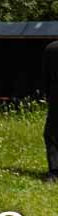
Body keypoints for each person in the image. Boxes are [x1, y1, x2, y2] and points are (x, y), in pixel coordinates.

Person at [46, 40, 58, 180]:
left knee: (52, 134)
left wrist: (49, 96)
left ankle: (54, 172)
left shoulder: (52, 48)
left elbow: (46, 76)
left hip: (56, 96)